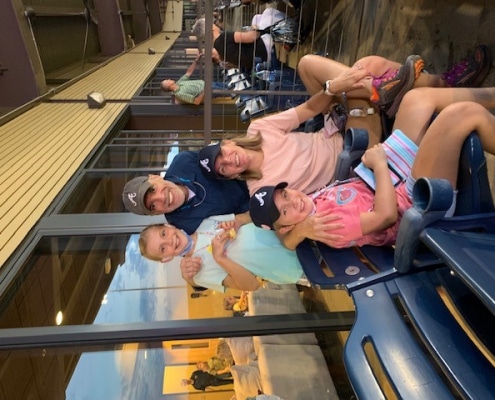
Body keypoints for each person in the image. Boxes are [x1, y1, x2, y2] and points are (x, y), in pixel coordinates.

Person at [249, 85, 495, 250]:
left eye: (285, 194)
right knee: (460, 115)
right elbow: (386, 216)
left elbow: (285, 241)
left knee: (416, 99)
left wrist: (298, 232)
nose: (293, 201)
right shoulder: (329, 226)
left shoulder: (307, 210)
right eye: (285, 211)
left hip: (393, 176)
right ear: (286, 225)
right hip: (418, 204)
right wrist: (378, 165)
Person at [138, 215, 307, 291]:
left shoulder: (204, 221)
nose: (169, 241)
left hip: (288, 231)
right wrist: (220, 258)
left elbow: (248, 216)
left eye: (163, 234)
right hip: (295, 267)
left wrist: (237, 222)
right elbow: (251, 286)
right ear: (166, 259)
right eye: (163, 249)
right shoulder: (198, 273)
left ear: (168, 226)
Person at [122, 150, 250, 235]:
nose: (161, 197)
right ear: (155, 214)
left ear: (155, 177)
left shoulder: (184, 161)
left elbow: (228, 159)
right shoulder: (181, 228)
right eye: (153, 206)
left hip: (254, 178)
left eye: (153, 189)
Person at [160, 53, 230, 105]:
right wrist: (204, 91)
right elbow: (196, 101)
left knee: (230, 86)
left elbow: (188, 72)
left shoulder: (179, 82)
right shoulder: (180, 94)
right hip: (209, 91)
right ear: (168, 85)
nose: (169, 79)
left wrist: (196, 61)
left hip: (209, 84)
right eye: (167, 80)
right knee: (230, 92)